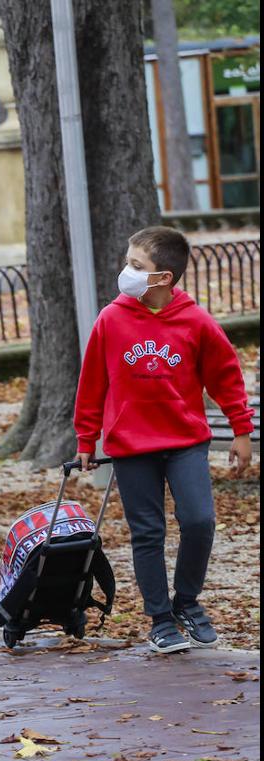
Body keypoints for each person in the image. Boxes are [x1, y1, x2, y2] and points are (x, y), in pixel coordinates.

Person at [74, 226, 253, 654]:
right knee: (148, 533)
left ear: (164, 277)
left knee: (199, 521)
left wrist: (241, 430)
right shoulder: (111, 319)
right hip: (132, 447)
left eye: (137, 266)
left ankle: (187, 601)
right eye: (128, 262)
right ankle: (160, 619)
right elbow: (92, 382)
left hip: (185, 441)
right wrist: (87, 438)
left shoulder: (196, 321)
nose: (126, 272)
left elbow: (226, 376)